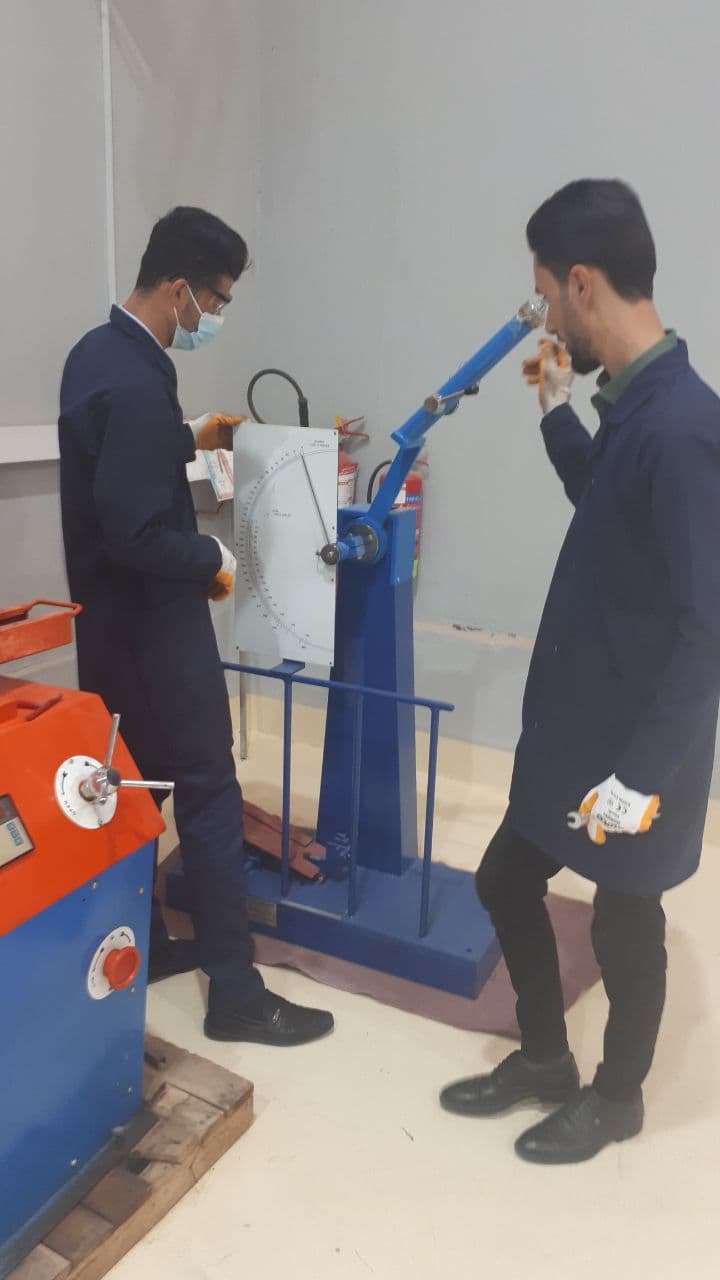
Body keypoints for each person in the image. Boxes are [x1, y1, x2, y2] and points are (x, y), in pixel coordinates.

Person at [440, 179, 720, 1162]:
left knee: (624, 921)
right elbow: (607, 504)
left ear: (583, 282)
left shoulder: (685, 429)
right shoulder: (639, 409)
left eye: (548, 295)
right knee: (506, 878)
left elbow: (708, 628)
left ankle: (619, 1096)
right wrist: (557, 411)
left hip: (639, 745)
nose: (547, 319)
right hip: (579, 729)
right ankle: (548, 1060)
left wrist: (640, 778)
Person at [59, 206, 333, 1046]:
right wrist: (213, 557)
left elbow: (116, 469)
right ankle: (236, 992)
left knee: (134, 789)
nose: (214, 315)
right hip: (157, 634)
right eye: (215, 300)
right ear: (179, 289)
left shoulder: (96, 355)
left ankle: (141, 942)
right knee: (209, 794)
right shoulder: (140, 384)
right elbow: (138, 532)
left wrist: (190, 436)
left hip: (106, 632)